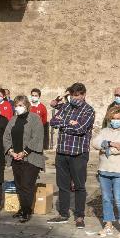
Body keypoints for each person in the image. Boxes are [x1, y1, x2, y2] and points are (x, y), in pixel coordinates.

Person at [48, 83, 95, 227]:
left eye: (76, 95)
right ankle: (63, 213)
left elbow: (80, 129)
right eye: (72, 95)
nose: (74, 98)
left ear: (83, 95)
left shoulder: (88, 110)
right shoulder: (65, 107)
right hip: (62, 152)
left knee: (80, 186)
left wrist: (63, 123)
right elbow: (53, 121)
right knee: (62, 185)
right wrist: (70, 122)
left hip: (78, 153)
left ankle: (79, 216)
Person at [94, 106, 120, 238]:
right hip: (104, 169)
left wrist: (105, 149)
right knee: (106, 199)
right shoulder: (104, 130)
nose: (115, 120)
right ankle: (108, 225)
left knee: (119, 199)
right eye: (113, 118)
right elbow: (94, 143)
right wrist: (111, 143)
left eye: (118, 118)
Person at [3, 95, 46, 223]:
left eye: (21, 105)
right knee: (19, 185)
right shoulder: (13, 119)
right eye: (16, 105)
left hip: (30, 158)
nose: (18, 108)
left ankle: (27, 211)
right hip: (16, 158)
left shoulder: (34, 118)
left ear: (26, 106)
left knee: (27, 185)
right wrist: (11, 151)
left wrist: (24, 152)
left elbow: (37, 137)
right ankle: (22, 208)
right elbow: (6, 137)